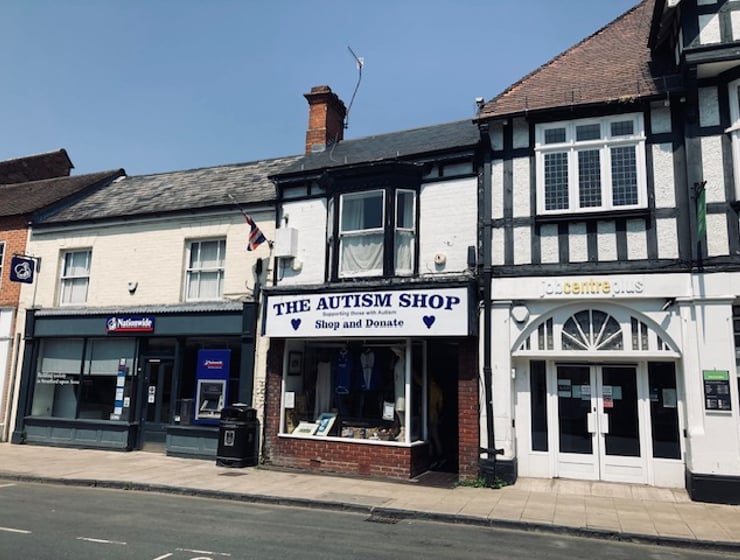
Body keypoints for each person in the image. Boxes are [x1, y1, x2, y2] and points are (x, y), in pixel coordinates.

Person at [429, 376, 443, 467]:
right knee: (436, 437)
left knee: (429, 437)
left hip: (429, 414)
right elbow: (440, 405)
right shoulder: (439, 390)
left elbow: (418, 381)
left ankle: (432, 457)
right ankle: (440, 456)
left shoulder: (428, 387)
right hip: (435, 414)